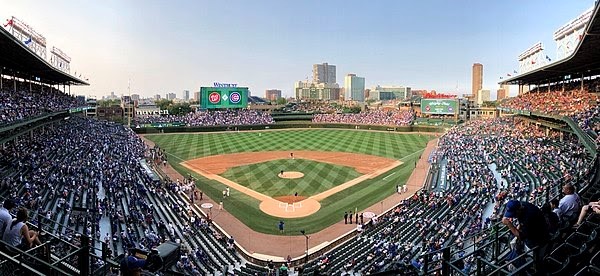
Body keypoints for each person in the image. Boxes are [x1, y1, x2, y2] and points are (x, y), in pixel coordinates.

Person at [502, 200, 550, 273]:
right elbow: (521, 222)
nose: (513, 216)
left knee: (515, 245)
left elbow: (521, 236)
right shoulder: (523, 205)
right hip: (541, 231)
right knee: (514, 242)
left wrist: (509, 224)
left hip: (537, 240)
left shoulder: (528, 217)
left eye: (513, 214)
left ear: (518, 210)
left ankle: (529, 266)